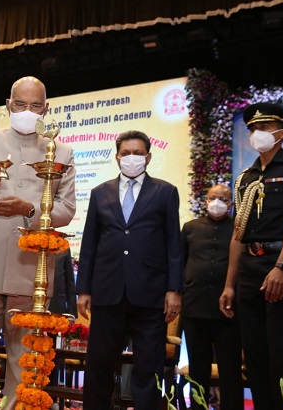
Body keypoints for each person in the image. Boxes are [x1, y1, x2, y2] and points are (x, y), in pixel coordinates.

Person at [0, 76, 76, 409]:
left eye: (35, 106)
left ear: (46, 108)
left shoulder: (62, 151)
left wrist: (30, 209)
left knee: (24, 362)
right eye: (20, 104)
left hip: (31, 270)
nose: (27, 111)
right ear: (8, 105)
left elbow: (66, 209)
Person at [219, 103, 283, 410]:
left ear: (282, 133)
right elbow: (238, 233)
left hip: (280, 265)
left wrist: (282, 266)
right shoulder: (245, 177)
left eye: (264, 128)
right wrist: (229, 284)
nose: (256, 134)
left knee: (282, 350)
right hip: (249, 267)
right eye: (252, 129)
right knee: (254, 354)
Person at [76, 130, 183, 410]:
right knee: (99, 365)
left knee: (148, 367)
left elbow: (174, 244)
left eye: (137, 153)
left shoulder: (165, 192)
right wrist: (83, 289)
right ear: (117, 157)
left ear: (148, 157)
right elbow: (90, 244)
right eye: (126, 153)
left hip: (151, 294)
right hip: (107, 292)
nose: (131, 158)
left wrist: (174, 289)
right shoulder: (100, 193)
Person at [181, 184, 243, 410]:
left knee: (230, 370)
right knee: (198, 369)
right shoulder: (190, 228)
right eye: (212, 198)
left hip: (229, 310)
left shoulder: (239, 228)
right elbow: (180, 262)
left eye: (223, 199)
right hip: (195, 307)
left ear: (231, 204)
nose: (217, 203)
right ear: (206, 201)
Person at [48, 247, 77, 317]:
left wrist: (72, 312)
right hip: (29, 304)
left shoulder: (63, 247)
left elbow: (69, 280)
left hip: (56, 304)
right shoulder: (28, 246)